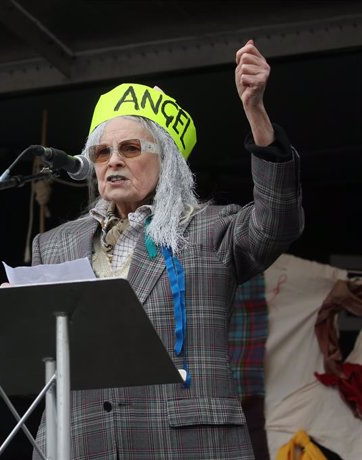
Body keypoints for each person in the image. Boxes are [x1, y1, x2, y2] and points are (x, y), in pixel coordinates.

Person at [30, 40, 304, 459]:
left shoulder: (210, 230)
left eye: (131, 148)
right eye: (102, 152)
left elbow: (277, 222)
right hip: (82, 444)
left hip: (184, 444)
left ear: (168, 161)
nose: (113, 161)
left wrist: (258, 118)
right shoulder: (53, 245)